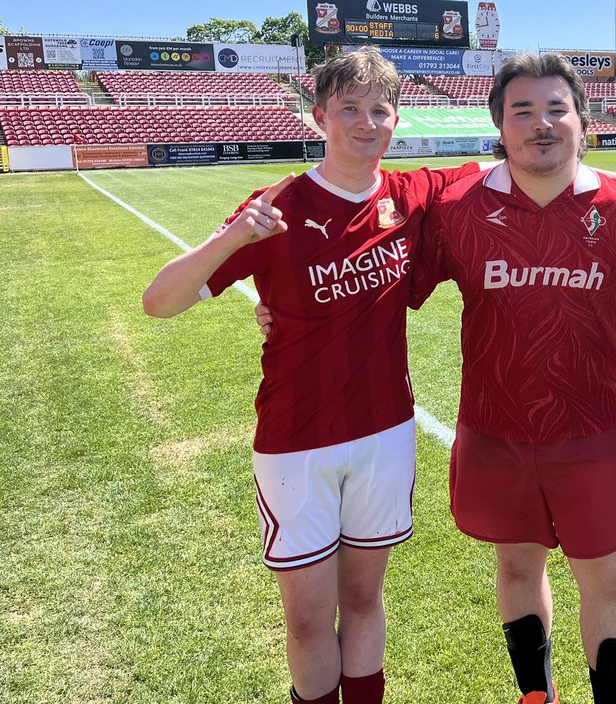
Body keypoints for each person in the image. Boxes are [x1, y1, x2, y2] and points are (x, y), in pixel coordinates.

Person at [142, 48, 486, 704]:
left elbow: (516, 165)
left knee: (363, 601)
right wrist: (232, 240)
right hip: (295, 438)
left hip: (384, 433)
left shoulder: (412, 194)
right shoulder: (275, 207)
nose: (365, 121)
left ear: (396, 119)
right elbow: (159, 302)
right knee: (305, 620)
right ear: (319, 115)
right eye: (349, 108)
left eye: (378, 109)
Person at [410, 52, 616, 704]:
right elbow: (384, 288)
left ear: (583, 121)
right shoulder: (458, 209)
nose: (541, 123)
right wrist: (278, 307)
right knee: (517, 565)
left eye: (557, 108)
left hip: (591, 434)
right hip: (495, 432)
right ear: (500, 125)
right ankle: (536, 696)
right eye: (523, 111)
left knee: (606, 580)